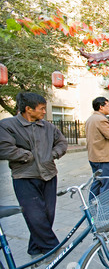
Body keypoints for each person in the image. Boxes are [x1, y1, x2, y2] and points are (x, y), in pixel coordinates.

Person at [0, 92, 68, 257]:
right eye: (41, 109)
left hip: (49, 175)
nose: (44, 112)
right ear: (28, 109)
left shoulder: (48, 127)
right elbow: (4, 148)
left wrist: (53, 154)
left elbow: (62, 142)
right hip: (25, 177)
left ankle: (35, 248)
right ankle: (53, 248)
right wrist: (26, 156)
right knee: (34, 215)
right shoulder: (8, 125)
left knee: (48, 214)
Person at [85, 97, 109, 200]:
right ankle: (105, 210)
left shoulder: (90, 119)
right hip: (104, 158)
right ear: (101, 107)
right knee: (107, 185)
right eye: (108, 106)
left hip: (94, 157)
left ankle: (91, 205)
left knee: (97, 182)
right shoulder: (101, 120)